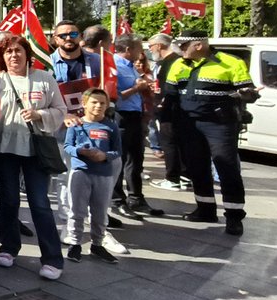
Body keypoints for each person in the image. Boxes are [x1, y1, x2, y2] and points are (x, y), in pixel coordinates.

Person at [0, 34, 68, 280]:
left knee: (40, 203)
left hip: (35, 151)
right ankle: (9, 248)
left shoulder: (45, 79)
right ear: (2, 56)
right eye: (8, 51)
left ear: (27, 53)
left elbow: (60, 110)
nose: (13, 55)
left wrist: (40, 114)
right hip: (4, 150)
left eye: (18, 50)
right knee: (8, 201)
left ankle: (52, 258)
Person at [161, 29, 258, 235]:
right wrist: (166, 121)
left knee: (227, 168)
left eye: (184, 46)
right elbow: (169, 97)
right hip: (188, 125)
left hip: (219, 124)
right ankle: (205, 209)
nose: (180, 50)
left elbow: (248, 91)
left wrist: (247, 94)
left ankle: (233, 217)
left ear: (198, 45)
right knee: (196, 168)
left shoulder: (230, 63)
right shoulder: (178, 64)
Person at [62, 88, 122, 263]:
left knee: (100, 211)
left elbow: (117, 150)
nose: (98, 106)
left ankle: (97, 243)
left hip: (103, 174)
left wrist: (105, 156)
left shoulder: (111, 126)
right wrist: (80, 151)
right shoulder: (77, 125)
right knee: (77, 210)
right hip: (81, 172)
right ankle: (75, 243)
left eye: (102, 103)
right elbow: (67, 147)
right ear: (84, 104)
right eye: (94, 102)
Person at [109, 35, 160, 220]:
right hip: (121, 116)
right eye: (139, 49)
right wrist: (137, 88)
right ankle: (117, 201)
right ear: (129, 49)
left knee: (136, 159)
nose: (142, 53)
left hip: (135, 116)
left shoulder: (131, 67)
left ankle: (136, 197)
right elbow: (115, 94)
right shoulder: (113, 65)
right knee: (119, 160)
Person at [146, 33, 190, 192]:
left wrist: (160, 103)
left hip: (169, 109)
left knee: (169, 143)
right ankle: (184, 176)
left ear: (159, 45)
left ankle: (172, 178)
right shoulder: (173, 61)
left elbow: (170, 87)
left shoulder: (171, 62)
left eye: (151, 46)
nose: (150, 50)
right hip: (176, 108)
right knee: (179, 143)